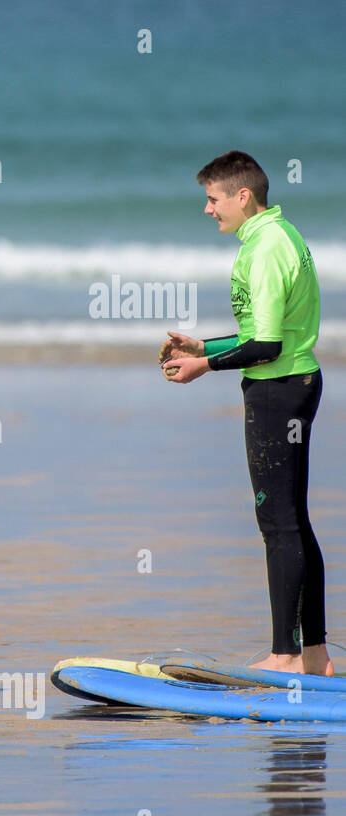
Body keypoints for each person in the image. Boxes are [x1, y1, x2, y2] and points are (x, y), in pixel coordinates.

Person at [160, 150, 328, 676]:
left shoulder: (265, 248)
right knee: (292, 522)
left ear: (242, 196)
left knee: (277, 525)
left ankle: (285, 655)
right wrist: (203, 344)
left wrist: (205, 365)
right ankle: (316, 656)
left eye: (212, 199)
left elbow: (268, 346)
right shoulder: (276, 237)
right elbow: (262, 332)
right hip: (290, 384)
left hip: (279, 390)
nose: (208, 210)